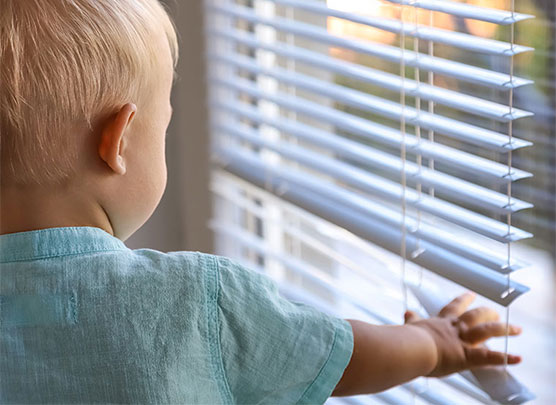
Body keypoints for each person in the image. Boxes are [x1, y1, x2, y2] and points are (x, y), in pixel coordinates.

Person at [0, 1, 522, 403]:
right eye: (165, 124)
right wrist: (434, 343)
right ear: (118, 141)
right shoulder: (195, 299)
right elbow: (340, 355)